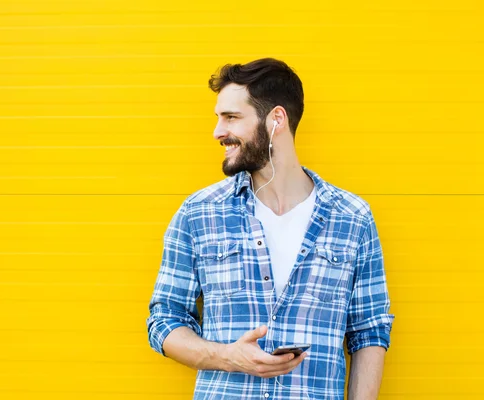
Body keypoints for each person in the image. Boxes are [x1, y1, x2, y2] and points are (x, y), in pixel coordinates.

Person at [146, 58, 394, 399]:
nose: (218, 132)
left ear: (277, 119)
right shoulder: (199, 213)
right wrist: (228, 357)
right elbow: (164, 321)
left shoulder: (352, 217)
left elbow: (369, 332)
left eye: (231, 117)